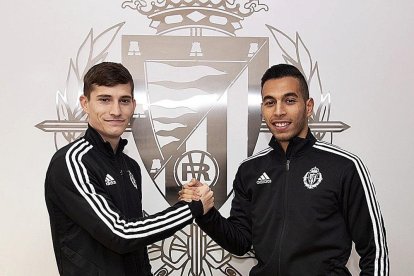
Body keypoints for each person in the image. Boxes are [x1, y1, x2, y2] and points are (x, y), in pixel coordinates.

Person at [181, 64, 389, 275]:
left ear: (308, 107)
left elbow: (375, 252)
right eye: (270, 102)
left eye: (289, 101)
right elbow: (240, 243)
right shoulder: (250, 170)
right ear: (262, 109)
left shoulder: (344, 166)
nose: (279, 111)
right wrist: (206, 213)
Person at [44, 62, 213, 276]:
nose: (116, 111)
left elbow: (136, 241)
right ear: (85, 104)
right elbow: (121, 234)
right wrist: (191, 208)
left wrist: (186, 202)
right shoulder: (72, 162)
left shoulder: (130, 166)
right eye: (105, 99)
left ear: (133, 105)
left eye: (123, 101)